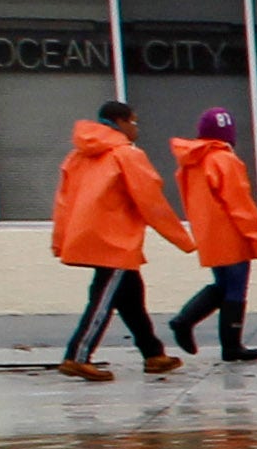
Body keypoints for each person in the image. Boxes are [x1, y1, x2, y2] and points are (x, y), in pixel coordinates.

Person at [50, 102, 185, 380]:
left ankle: (153, 353)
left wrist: (61, 239)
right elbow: (151, 201)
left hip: (90, 235)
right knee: (103, 297)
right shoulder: (126, 155)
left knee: (130, 295)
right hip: (115, 240)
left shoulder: (77, 156)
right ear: (120, 122)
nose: (136, 129)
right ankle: (78, 355)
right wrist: (182, 239)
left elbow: (63, 202)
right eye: (134, 122)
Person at [164, 107, 257, 364]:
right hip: (231, 232)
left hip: (207, 232)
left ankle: (186, 320)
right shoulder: (226, 160)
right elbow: (239, 204)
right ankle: (231, 345)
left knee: (222, 285)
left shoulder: (190, 162)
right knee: (235, 288)